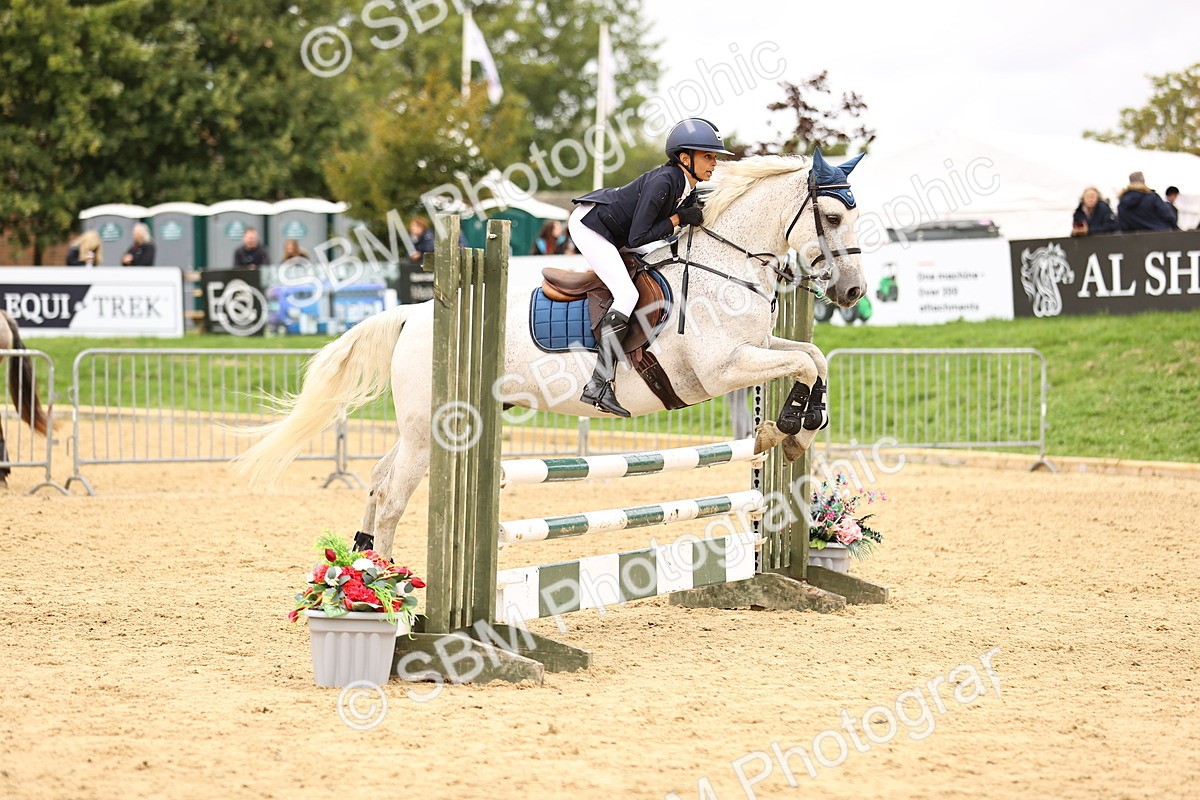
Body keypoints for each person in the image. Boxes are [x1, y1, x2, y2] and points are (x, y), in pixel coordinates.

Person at [568, 117, 732, 416]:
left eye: (715, 157)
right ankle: (598, 383)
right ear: (685, 158)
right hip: (591, 226)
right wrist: (678, 219)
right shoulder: (664, 181)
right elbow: (638, 237)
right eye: (708, 156)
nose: (714, 163)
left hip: (617, 231)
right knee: (627, 295)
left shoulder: (686, 185)